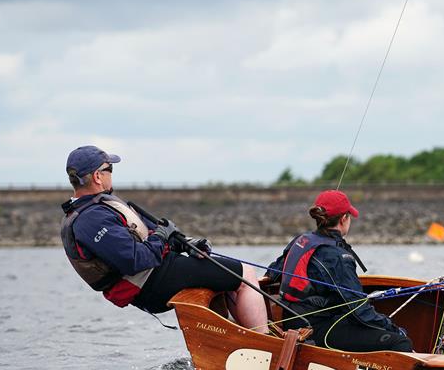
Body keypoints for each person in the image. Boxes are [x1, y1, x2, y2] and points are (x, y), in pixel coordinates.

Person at [59, 145, 268, 333]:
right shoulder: (92, 219)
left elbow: (148, 236)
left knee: (223, 278)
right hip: (150, 282)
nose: (111, 175)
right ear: (97, 176)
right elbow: (134, 260)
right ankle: (265, 343)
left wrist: (185, 243)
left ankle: (233, 340)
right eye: (109, 169)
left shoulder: (99, 206)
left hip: (157, 272)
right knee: (245, 275)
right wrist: (162, 235)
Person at [266, 190, 413, 352]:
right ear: (344, 219)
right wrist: (394, 329)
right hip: (314, 330)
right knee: (400, 342)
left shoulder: (301, 240)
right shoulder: (336, 256)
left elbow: (272, 273)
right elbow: (358, 311)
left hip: (293, 322)